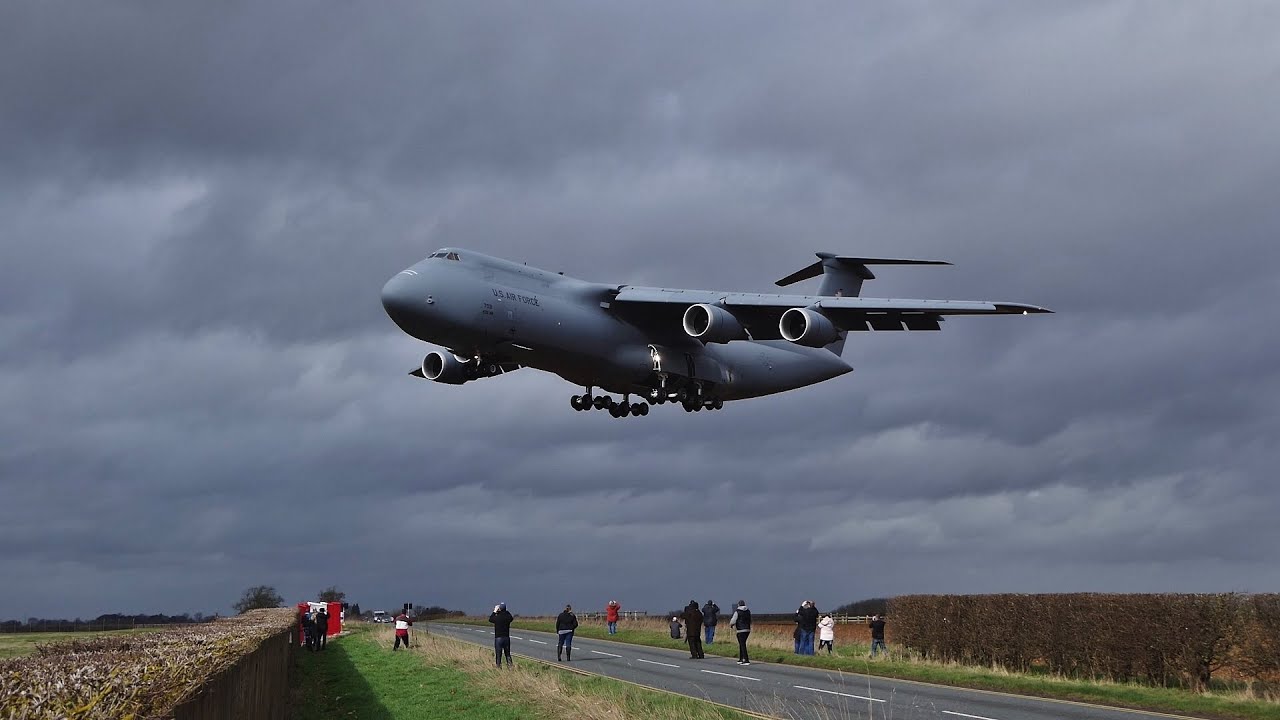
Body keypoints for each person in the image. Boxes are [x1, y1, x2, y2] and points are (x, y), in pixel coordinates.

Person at [490, 603, 514, 668]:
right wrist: (506, 611)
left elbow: (491, 619)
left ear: (499, 609)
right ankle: (510, 667)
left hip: (498, 638)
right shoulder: (507, 617)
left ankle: (498, 667)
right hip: (506, 638)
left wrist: (494, 611)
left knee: (498, 655)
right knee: (507, 654)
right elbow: (511, 618)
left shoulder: (497, 617)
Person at [729, 600, 751, 665]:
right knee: (742, 644)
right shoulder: (748, 611)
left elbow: (733, 620)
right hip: (747, 629)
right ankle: (741, 659)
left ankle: (746, 660)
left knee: (742, 644)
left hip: (740, 630)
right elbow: (749, 619)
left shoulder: (737, 611)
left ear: (738, 605)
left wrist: (731, 625)